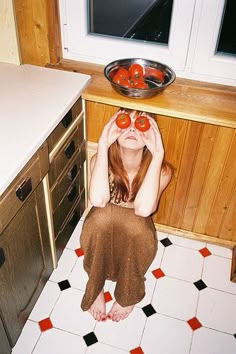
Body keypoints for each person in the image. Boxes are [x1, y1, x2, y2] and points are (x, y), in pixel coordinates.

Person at [80, 108, 172, 322]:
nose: (132, 127)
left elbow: (143, 210)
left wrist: (158, 154)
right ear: (113, 129)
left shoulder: (162, 171)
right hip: (102, 231)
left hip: (136, 237)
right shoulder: (99, 161)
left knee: (137, 225)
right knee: (99, 218)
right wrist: (103, 144)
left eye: (141, 123)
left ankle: (127, 294)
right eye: (124, 121)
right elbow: (99, 200)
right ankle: (96, 286)